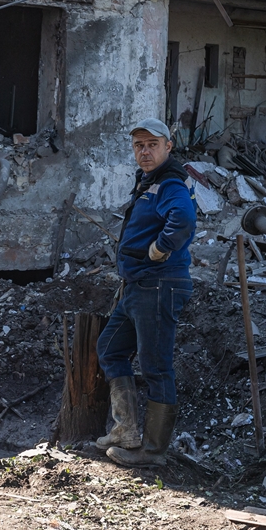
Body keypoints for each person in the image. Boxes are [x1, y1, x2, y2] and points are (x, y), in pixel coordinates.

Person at [96, 118, 197, 467]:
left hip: (159, 283)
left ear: (168, 146)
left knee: (156, 367)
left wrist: (160, 248)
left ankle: (153, 452)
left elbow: (183, 218)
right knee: (110, 348)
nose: (145, 151)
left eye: (152, 145)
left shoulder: (170, 182)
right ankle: (125, 431)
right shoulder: (149, 181)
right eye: (139, 145)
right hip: (139, 285)